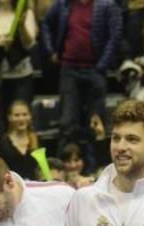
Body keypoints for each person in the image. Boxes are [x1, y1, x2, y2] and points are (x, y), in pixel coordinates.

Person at [41, 0, 123, 144]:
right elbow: (46, 23)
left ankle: (95, 164)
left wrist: (102, 65)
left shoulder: (107, 5)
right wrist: (50, 50)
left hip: (95, 69)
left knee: (96, 124)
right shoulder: (63, 4)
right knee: (67, 122)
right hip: (69, 68)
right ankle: (67, 162)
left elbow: (115, 36)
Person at [0, 100, 41, 181]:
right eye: (17, 115)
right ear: (9, 117)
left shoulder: (38, 140)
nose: (21, 118)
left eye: (25, 114)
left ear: (30, 116)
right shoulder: (1, 143)